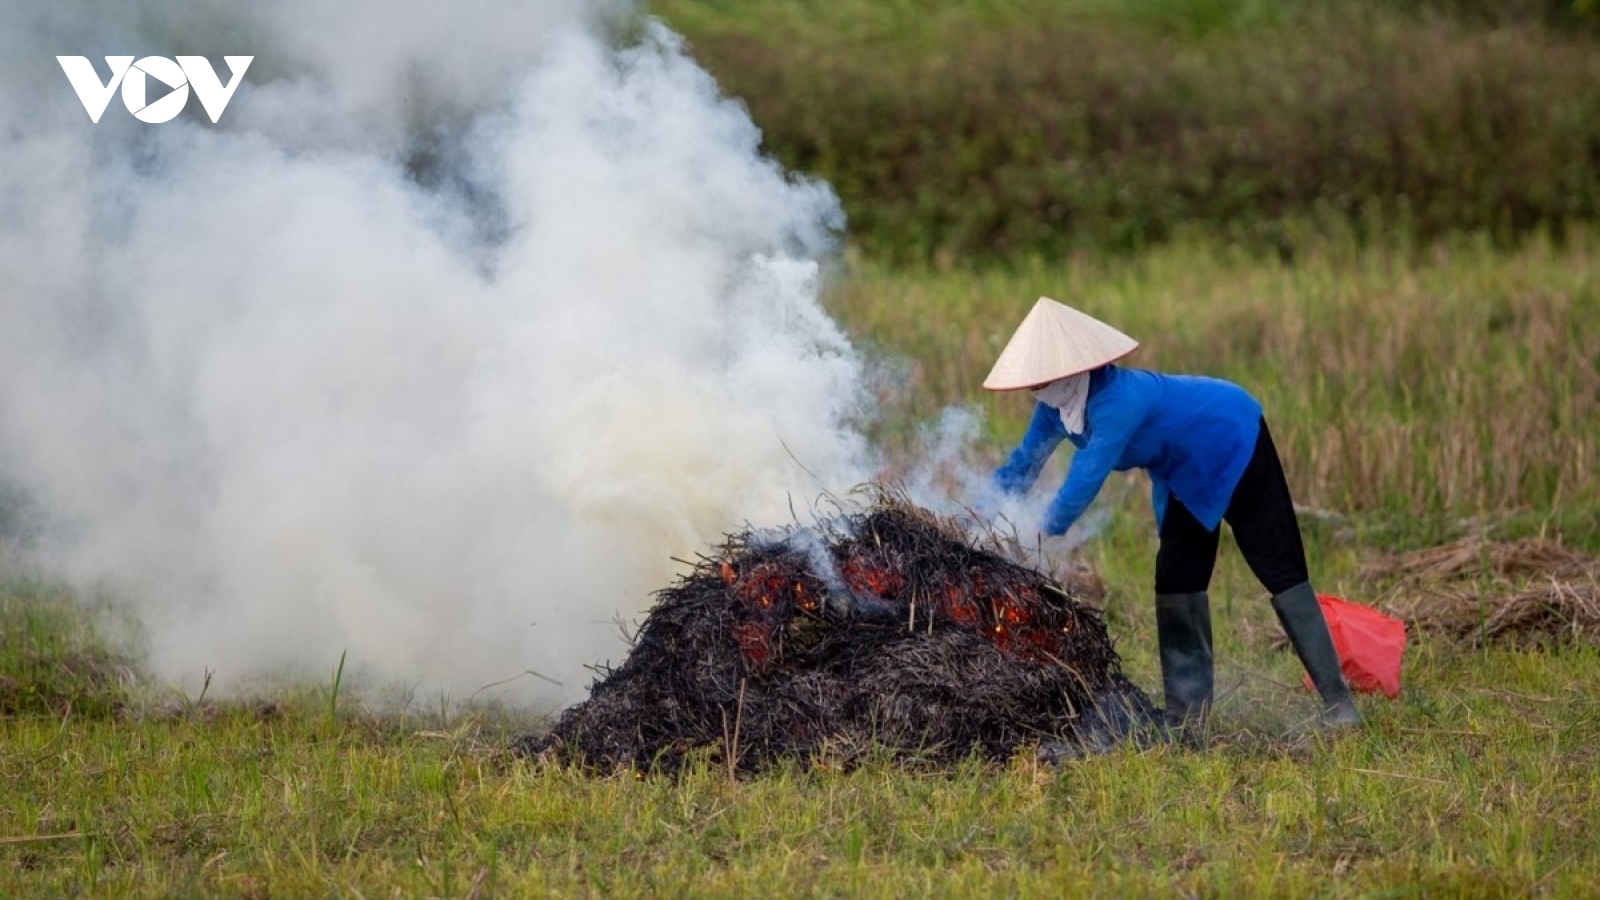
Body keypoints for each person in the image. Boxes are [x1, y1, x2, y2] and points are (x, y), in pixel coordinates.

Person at [981, 297, 1361, 738]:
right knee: (1178, 577)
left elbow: (1084, 479)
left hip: (1233, 436)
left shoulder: (1118, 400)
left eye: (1043, 379)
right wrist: (979, 516)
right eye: (1033, 382)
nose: (1037, 389)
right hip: (1182, 470)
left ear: (1071, 370)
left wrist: (1039, 533)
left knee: (1277, 564)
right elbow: (1022, 464)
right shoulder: (1053, 411)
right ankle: (1188, 721)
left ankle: (1340, 705)